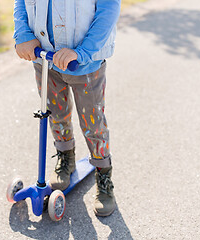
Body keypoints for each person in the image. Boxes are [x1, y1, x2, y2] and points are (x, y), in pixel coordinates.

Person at [13, 0, 121, 216]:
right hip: (44, 59)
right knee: (54, 114)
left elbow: (108, 10)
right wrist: (23, 34)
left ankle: (103, 176)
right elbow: (22, 3)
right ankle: (66, 159)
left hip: (83, 64)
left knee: (93, 124)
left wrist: (82, 52)